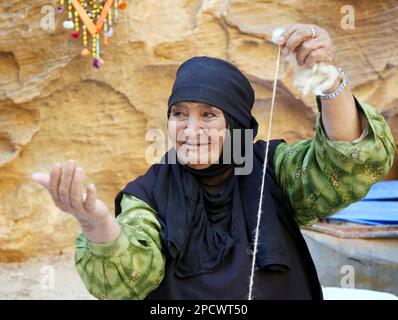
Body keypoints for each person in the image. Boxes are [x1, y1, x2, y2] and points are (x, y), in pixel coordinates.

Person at [31, 24, 396, 300]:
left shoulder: (273, 168)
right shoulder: (148, 192)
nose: (191, 130)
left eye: (209, 115)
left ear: (235, 123)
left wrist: (328, 78)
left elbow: (346, 163)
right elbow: (130, 275)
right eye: (179, 114)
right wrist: (95, 224)